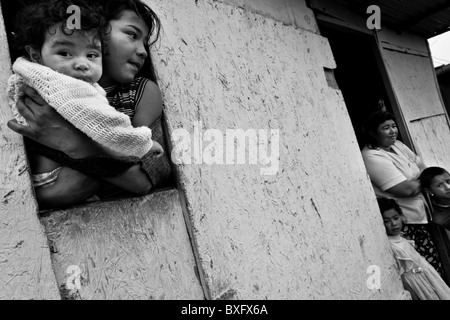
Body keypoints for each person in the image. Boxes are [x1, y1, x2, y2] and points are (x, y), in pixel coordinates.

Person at [7, 0, 173, 209]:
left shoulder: (139, 92)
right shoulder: (44, 85)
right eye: (131, 34)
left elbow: (143, 179)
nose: (143, 51)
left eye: (145, 42)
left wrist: (70, 141)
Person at [361, 110, 443, 275]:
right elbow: (406, 189)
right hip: (406, 221)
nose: (393, 131)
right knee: (423, 268)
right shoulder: (372, 156)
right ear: (373, 132)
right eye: (386, 128)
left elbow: (426, 171)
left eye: (393, 126)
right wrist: (423, 181)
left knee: (436, 260)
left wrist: (421, 180)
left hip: (424, 215)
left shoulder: (398, 145)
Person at [377, 197, 450, 300]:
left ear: (401, 216)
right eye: (386, 221)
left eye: (396, 218)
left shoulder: (402, 237)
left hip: (429, 278)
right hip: (419, 285)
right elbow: (402, 275)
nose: (393, 224)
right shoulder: (392, 246)